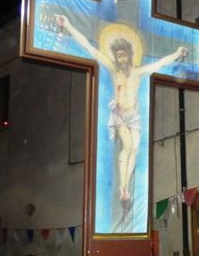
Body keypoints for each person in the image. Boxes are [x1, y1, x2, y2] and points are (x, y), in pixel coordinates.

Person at [54, 13, 187, 204]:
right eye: (118, 55)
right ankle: (122, 187)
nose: (120, 58)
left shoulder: (138, 71)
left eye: (123, 54)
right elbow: (88, 47)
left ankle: (125, 188)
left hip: (135, 115)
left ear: (130, 54)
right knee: (127, 146)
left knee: (135, 149)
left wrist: (177, 53)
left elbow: (160, 63)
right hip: (120, 115)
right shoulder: (112, 68)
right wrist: (68, 25)